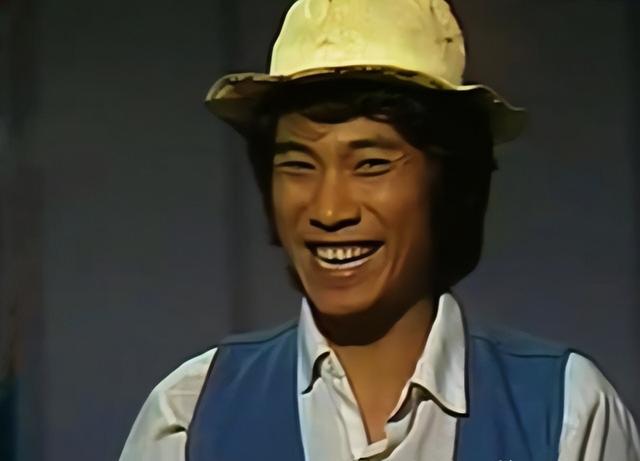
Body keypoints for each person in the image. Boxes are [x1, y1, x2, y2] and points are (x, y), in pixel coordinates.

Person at [120, 0, 640, 460]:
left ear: (451, 185)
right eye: (298, 165)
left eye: (370, 164)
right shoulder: (191, 418)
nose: (329, 210)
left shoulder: (565, 414)